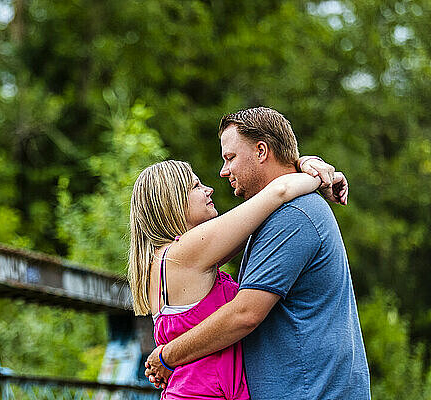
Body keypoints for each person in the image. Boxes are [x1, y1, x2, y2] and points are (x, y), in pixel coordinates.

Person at [144, 107, 370, 399]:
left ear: (261, 150)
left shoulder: (293, 215)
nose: (223, 172)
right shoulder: (267, 219)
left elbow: (245, 314)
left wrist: (167, 356)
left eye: (230, 157)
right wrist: (310, 168)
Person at [129, 156, 344, 398]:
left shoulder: (168, 260)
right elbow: (278, 192)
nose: (208, 189)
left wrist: (302, 163)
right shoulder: (184, 253)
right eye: (196, 186)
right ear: (172, 203)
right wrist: (319, 178)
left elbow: (258, 222)